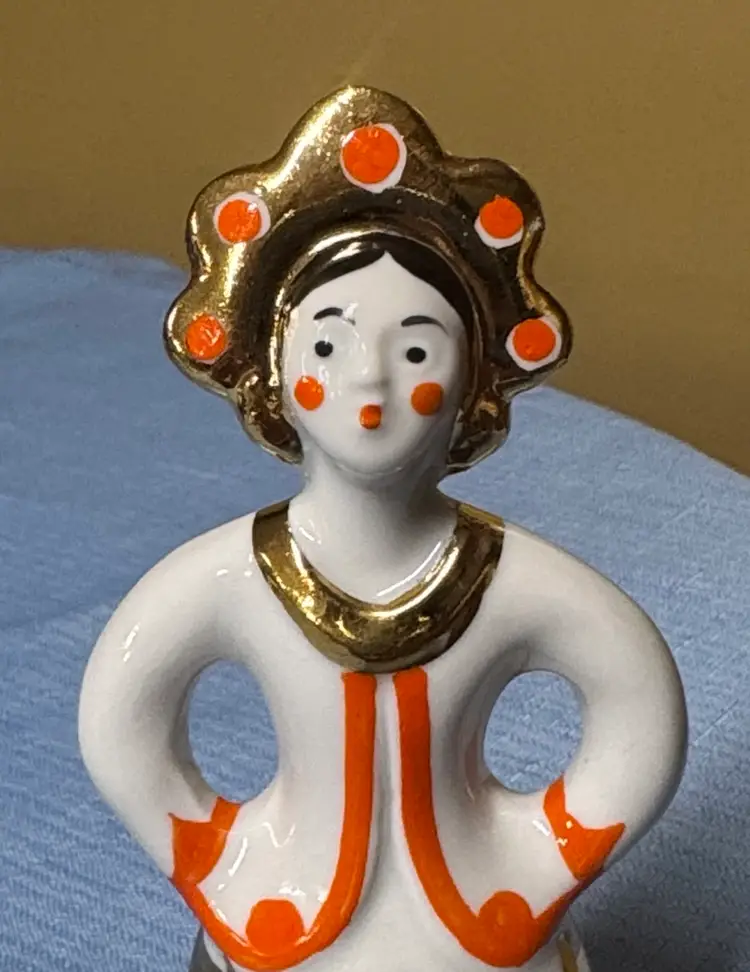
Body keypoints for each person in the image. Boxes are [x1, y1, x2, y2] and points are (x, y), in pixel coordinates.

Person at [79, 86, 687, 972]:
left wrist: (547, 859)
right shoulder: (233, 578)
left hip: (481, 928)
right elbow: (120, 721)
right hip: (283, 923)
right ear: (273, 375)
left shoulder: (509, 579)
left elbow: (639, 703)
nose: (370, 381)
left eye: (416, 349)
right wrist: (216, 863)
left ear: (474, 384)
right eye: (327, 346)